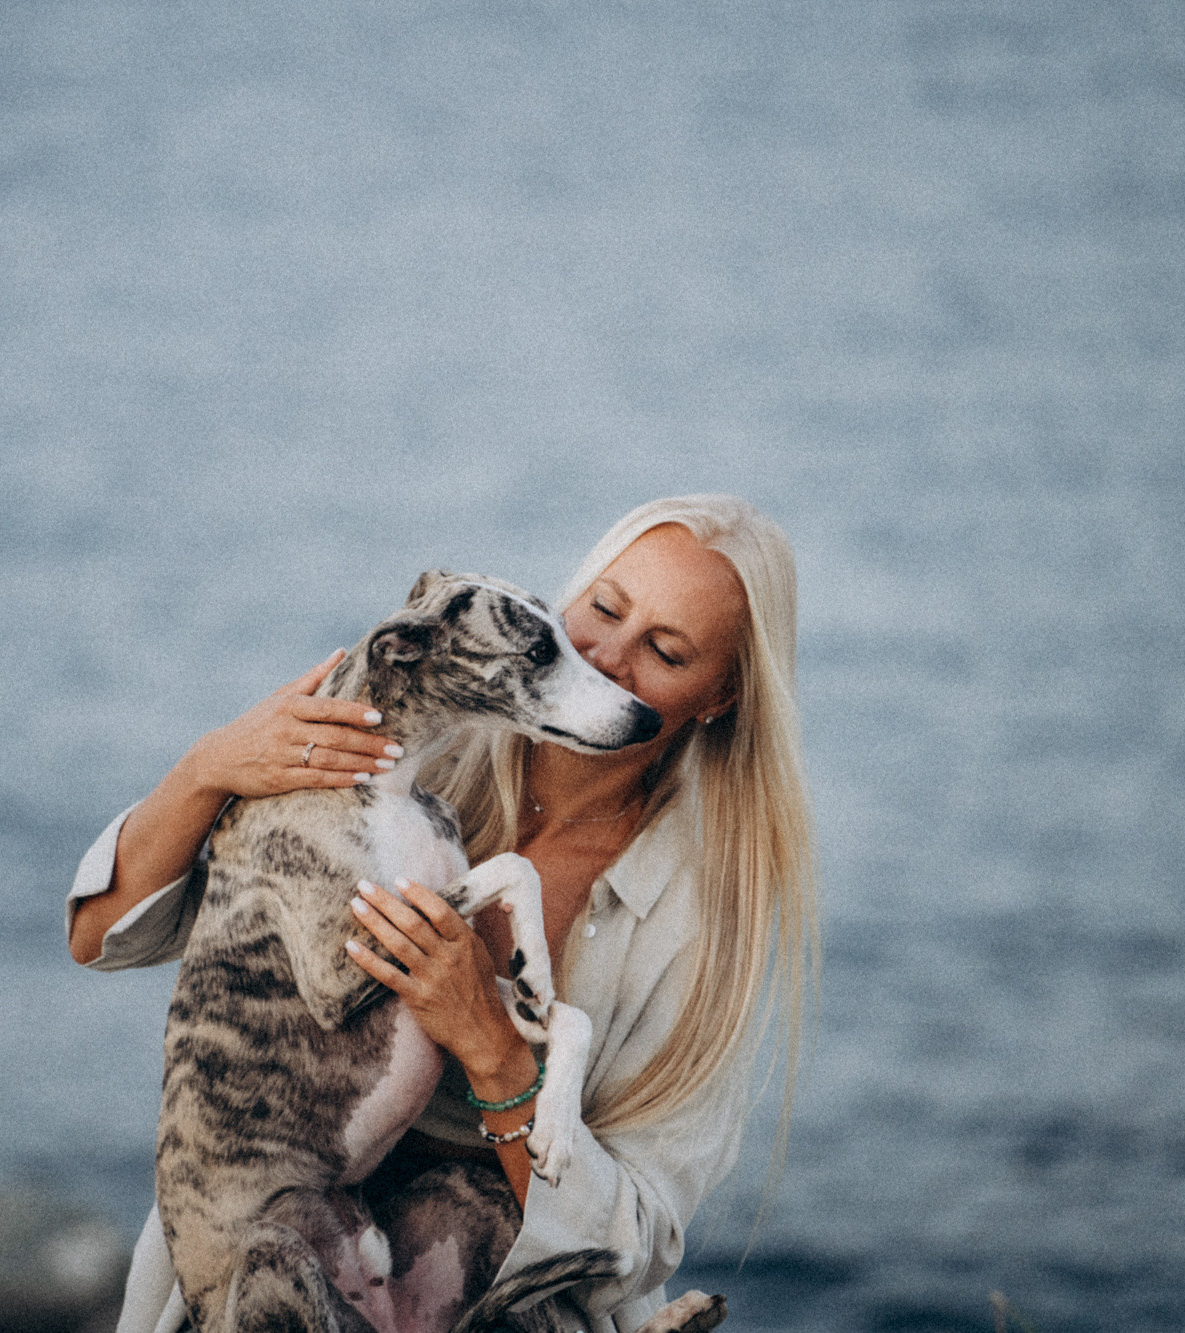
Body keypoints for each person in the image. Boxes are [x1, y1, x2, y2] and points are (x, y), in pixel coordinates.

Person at [66, 495, 819, 1333]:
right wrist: (210, 768)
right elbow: (101, 935)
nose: (607, 656)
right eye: (603, 608)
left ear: (719, 698)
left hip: (500, 1286)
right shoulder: (417, 740)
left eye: (666, 651)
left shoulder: (704, 920)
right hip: (273, 1251)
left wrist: (496, 1054)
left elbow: (632, 1244)